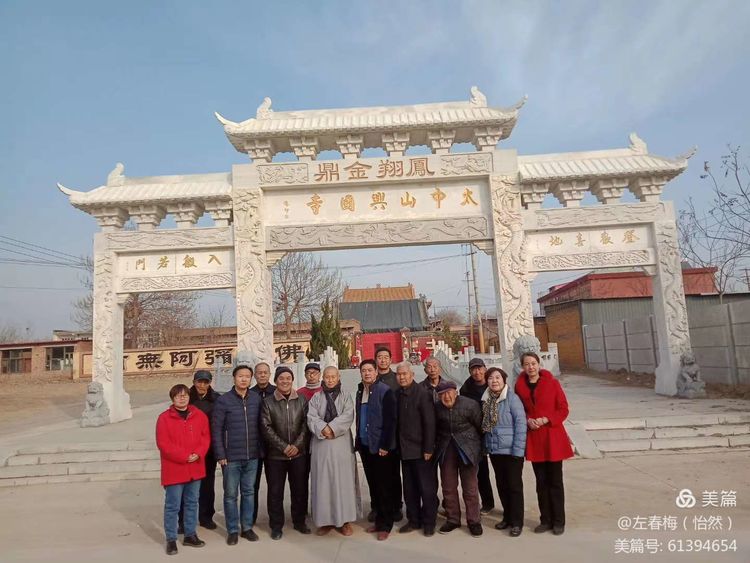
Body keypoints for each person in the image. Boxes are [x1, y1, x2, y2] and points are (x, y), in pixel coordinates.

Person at [514, 352, 573, 536]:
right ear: (522, 367)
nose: (530, 367)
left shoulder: (552, 383)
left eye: (533, 363)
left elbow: (563, 409)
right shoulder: (519, 386)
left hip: (552, 437)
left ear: (539, 365)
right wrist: (527, 420)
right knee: (541, 482)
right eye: (527, 364)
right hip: (535, 439)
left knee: (555, 481)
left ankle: (559, 521)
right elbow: (518, 410)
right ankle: (545, 519)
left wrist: (547, 419)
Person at [156, 384, 210, 555]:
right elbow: (163, 444)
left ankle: (190, 534)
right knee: (173, 505)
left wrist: (198, 453)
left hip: (195, 466)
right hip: (175, 469)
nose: (182, 398)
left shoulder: (199, 416)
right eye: (178, 396)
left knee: (192, 503)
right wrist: (184, 456)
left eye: (185, 395)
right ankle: (171, 539)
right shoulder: (164, 418)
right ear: (172, 398)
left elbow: (205, 437)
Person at [212, 364, 263, 545]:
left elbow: (262, 426)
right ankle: (232, 529)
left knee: (249, 493)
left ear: (251, 379)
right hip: (231, 457)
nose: (244, 379)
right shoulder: (224, 400)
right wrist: (220, 454)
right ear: (234, 378)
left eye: (247, 376)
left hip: (252, 455)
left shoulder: (256, 399)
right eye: (240, 376)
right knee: (230, 495)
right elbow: (216, 429)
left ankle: (247, 528)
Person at [307, 365, 359, 536]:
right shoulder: (316, 397)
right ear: (323, 378)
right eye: (327, 377)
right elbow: (311, 417)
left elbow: (348, 415)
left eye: (333, 377)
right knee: (323, 483)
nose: (330, 380)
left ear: (338, 378)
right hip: (321, 445)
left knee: (343, 483)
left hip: (340, 444)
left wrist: (331, 428)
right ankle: (325, 521)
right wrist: (324, 428)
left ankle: (345, 520)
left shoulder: (346, 396)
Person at [260, 365, 311, 540]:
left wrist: (296, 445)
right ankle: (276, 525)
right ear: (275, 381)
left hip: (298, 454)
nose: (285, 381)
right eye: (281, 378)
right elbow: (266, 428)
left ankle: (299, 521)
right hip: (275, 456)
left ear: (292, 380)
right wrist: (283, 447)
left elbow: (306, 425)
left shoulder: (302, 400)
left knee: (300, 489)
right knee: (275, 492)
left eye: (288, 378)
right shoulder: (268, 402)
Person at [434, 380, 483, 537]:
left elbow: (480, 427)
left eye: (449, 392)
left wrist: (480, 449)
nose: (446, 397)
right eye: (442, 394)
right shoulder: (436, 407)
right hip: (446, 447)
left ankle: (474, 521)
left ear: (456, 392)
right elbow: (434, 428)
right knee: (448, 486)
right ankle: (453, 519)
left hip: (467, 447)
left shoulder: (470, 405)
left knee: (470, 488)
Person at [355, 359, 397, 541]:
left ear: (376, 372)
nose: (367, 373)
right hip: (366, 445)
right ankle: (379, 520)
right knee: (373, 485)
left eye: (370, 370)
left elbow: (391, 420)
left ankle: (386, 524)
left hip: (381, 447)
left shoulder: (384, 391)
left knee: (384, 486)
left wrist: (385, 445)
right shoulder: (360, 391)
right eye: (363, 370)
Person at [482, 367, 527, 537]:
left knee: (514, 487)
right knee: (502, 485)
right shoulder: (486, 400)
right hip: (495, 450)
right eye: (491, 378)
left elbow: (521, 425)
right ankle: (507, 517)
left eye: (498, 377)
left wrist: (518, 451)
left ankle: (517, 522)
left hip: (512, 451)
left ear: (504, 380)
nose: (494, 381)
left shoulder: (512, 399)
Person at [395, 362, 438, 537]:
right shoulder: (396, 394)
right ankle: (414, 520)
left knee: (426, 489)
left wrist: (428, 448)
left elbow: (430, 423)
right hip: (404, 451)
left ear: (412, 374)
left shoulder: (422, 393)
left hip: (422, 451)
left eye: (405, 374)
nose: (402, 377)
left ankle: (429, 522)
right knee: (410, 489)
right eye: (398, 374)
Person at [178, 370, 220, 532]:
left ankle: (206, 517)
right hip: (188, 449)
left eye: (205, 382)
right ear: (194, 382)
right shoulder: (186, 398)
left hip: (208, 449)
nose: (202, 385)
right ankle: (183, 520)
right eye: (199, 382)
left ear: (210, 383)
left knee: (207, 485)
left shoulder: (216, 399)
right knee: (186, 485)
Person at [459, 358, 495, 514]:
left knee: (502, 471)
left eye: (480, 368)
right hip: (477, 434)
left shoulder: (494, 383)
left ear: (485, 369)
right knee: (481, 471)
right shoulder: (466, 389)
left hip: (495, 432)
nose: (477, 372)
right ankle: (487, 503)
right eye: (474, 369)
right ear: (470, 371)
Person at [372, 347, 404, 523]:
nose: (382, 360)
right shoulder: (372, 380)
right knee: (377, 474)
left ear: (391, 360)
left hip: (393, 434)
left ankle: (396, 506)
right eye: (379, 357)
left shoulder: (396, 380)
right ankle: (377, 506)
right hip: (376, 436)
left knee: (393, 473)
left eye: (386, 357)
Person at [249, 361, 276, 526]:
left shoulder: (277, 392)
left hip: (273, 447)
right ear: (255, 375)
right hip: (254, 446)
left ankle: (274, 521)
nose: (263, 375)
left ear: (269, 374)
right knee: (252, 486)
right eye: (259, 372)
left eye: (265, 372)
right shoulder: (250, 394)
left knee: (274, 486)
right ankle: (250, 519)